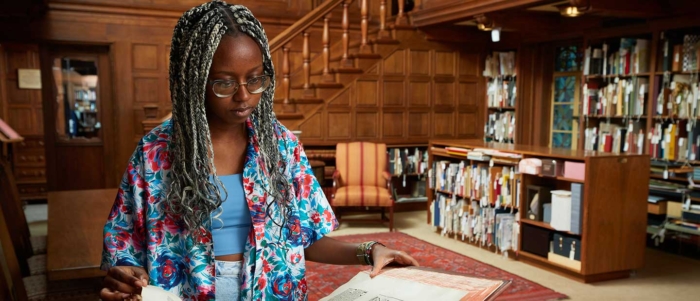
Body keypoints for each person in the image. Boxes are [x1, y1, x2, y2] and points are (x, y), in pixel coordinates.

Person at [99, 1, 419, 300]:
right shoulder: (155, 153)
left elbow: (307, 237)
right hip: (186, 291)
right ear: (194, 82)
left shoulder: (282, 147)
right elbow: (123, 241)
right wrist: (125, 273)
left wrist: (371, 249)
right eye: (224, 83)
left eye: (255, 79)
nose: (244, 96)